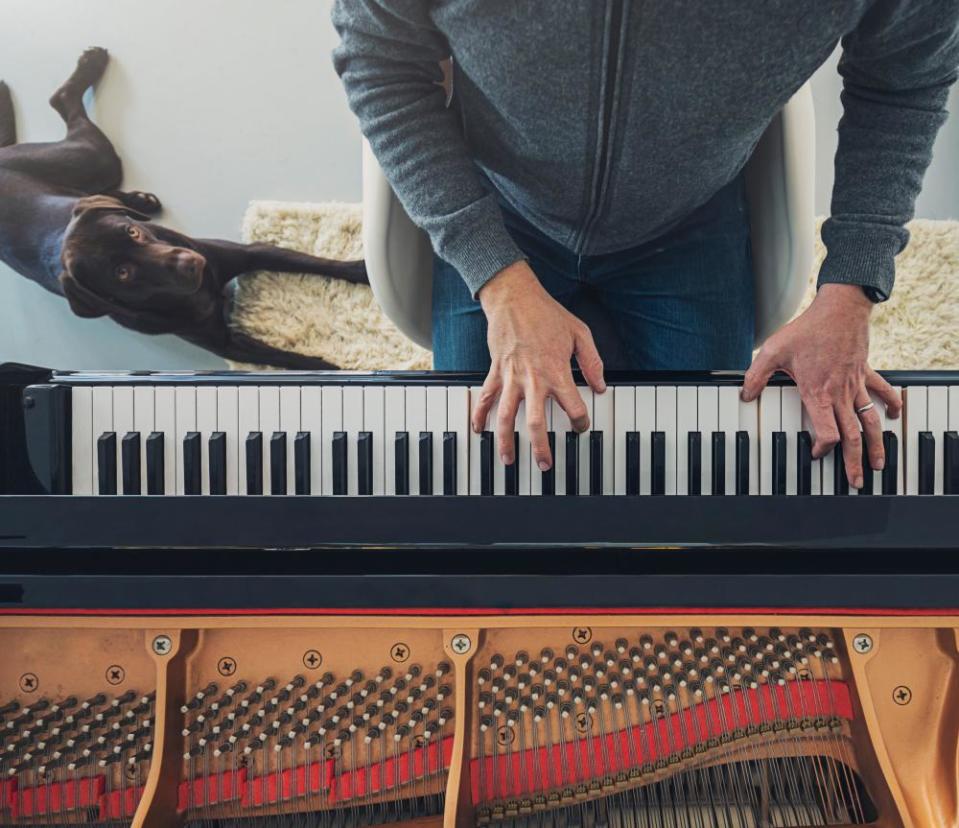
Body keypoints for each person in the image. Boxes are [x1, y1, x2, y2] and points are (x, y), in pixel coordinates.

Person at [332, 1, 959, 487]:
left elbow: (905, 75)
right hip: (502, 211)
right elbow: (377, 58)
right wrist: (494, 273)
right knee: (483, 486)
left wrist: (851, 289)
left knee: (705, 492)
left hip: (690, 216)